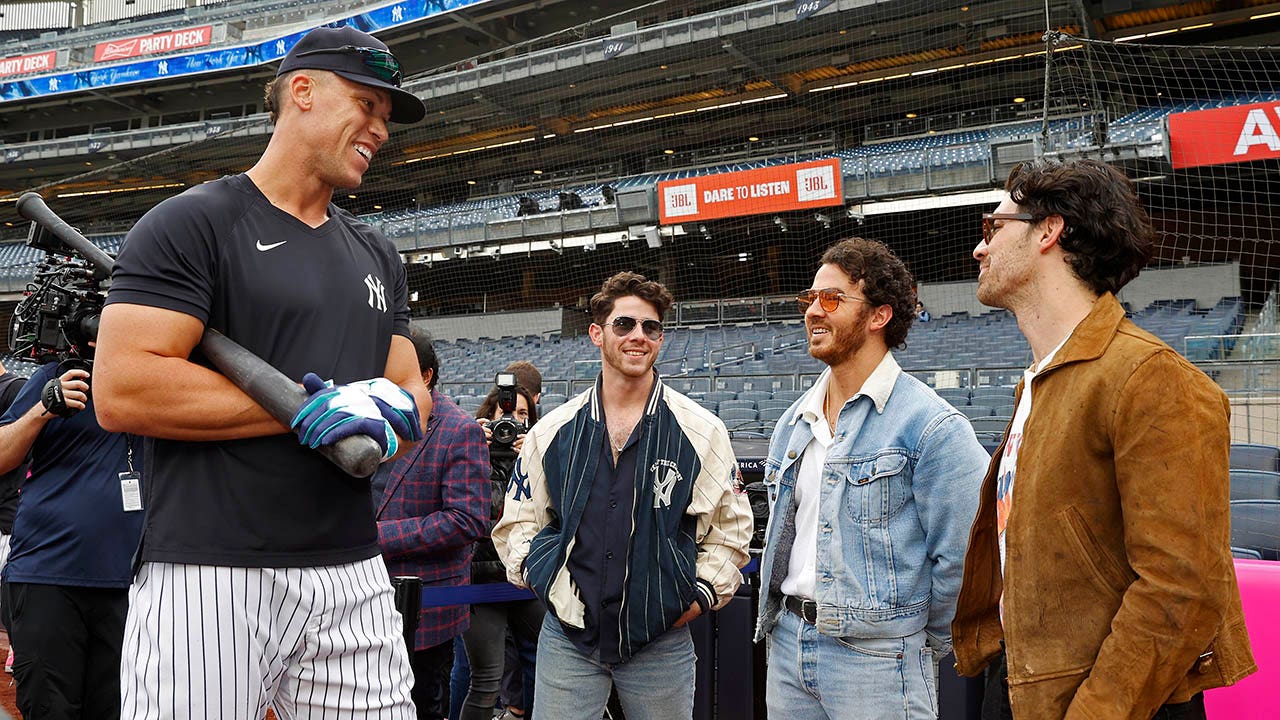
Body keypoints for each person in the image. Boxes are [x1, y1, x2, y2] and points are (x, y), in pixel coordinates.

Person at [92, 25, 432, 719]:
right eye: (367, 104)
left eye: (386, 117)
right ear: (302, 92)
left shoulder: (377, 254)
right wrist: (306, 409)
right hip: (208, 570)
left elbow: (410, 392)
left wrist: (389, 411)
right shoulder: (192, 222)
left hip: (353, 571)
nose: (380, 128)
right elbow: (124, 388)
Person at [952, 157, 1256, 719]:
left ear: (1049, 230)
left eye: (994, 227)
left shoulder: (1150, 377)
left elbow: (1180, 589)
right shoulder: (1041, 381)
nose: (980, 248)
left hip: (1113, 700)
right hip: (1025, 683)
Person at [493, 271, 754, 720]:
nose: (638, 336)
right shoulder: (552, 431)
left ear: (660, 338)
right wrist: (547, 582)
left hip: (660, 641)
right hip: (569, 639)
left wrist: (695, 598)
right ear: (596, 333)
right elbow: (519, 522)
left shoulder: (701, 431)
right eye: (624, 325)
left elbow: (730, 533)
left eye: (650, 328)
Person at [753, 238, 989, 719]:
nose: (814, 311)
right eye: (810, 299)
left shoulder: (932, 426)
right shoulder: (792, 423)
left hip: (878, 661)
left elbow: (965, 561)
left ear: (879, 316)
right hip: (787, 647)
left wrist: (911, 640)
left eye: (832, 299)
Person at [0, 355, 145, 719]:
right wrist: (43, 408)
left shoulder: (158, 382)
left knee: (123, 707)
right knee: (49, 709)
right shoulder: (58, 375)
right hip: (47, 575)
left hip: (134, 581)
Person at [375, 327, 490, 720]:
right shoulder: (367, 419)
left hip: (425, 618)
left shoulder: (460, 429)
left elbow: (467, 519)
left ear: (424, 376)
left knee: (422, 708)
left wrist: (379, 538)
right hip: (361, 603)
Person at [458, 383, 544, 720]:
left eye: (523, 415)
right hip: (482, 579)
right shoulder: (472, 451)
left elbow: (549, 514)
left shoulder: (539, 454)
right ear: (489, 418)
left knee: (545, 667)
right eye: (505, 415)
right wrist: (474, 449)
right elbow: (484, 514)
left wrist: (533, 459)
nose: (512, 422)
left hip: (527, 578)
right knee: (485, 681)